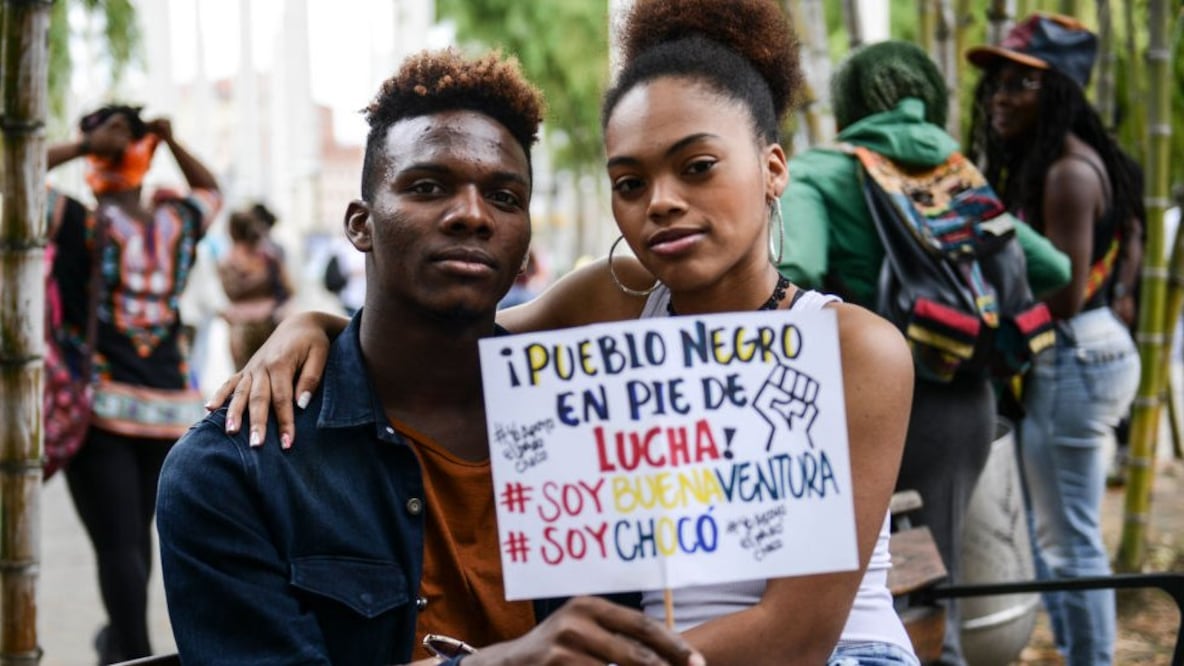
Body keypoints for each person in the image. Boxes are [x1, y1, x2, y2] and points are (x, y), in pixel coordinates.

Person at [210, 1, 919, 664]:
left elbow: (793, 636)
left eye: (697, 168)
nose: (663, 202)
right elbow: (451, 339)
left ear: (771, 169)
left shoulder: (854, 348)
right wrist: (309, 327)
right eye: (630, 182)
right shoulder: (611, 302)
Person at [156, 48, 705, 666]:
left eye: (503, 197)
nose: (471, 214)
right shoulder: (231, 470)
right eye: (427, 186)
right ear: (361, 225)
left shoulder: (601, 425)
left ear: (525, 245)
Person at [776, 40, 1071, 665]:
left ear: (851, 99)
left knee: (860, 591)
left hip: (858, 408)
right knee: (936, 583)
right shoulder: (957, 175)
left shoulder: (823, 171)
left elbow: (794, 269)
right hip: (959, 409)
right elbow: (1052, 266)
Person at [967, 14, 1142, 666]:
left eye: (1022, 83)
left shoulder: (1067, 173)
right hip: (1081, 353)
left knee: (1071, 543)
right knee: (1058, 538)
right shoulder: (1065, 164)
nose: (1002, 97)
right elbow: (1125, 255)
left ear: (1062, 90)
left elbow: (1065, 294)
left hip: (1073, 355)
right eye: (998, 83)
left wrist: (980, 329)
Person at [46, 105, 222, 663]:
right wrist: (169, 139)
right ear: (144, 157)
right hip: (171, 409)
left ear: (95, 158)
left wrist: (80, 146)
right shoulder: (177, 224)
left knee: (119, 545)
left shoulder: (77, 221)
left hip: (102, 409)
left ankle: (132, 653)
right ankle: (118, 644)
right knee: (136, 542)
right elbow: (211, 189)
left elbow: (13, 169)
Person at [217, 204, 293, 370]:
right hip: (269, 319)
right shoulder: (269, 256)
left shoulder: (228, 260)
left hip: (241, 325)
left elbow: (230, 292)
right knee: (271, 373)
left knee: (243, 377)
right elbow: (289, 287)